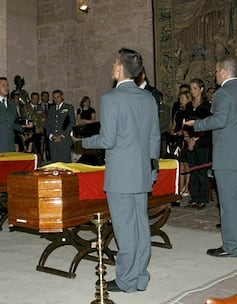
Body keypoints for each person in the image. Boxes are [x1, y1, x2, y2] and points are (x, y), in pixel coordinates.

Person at [77, 48, 160, 292]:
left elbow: (107, 140)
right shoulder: (148, 98)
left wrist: (82, 141)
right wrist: (153, 169)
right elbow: (155, 137)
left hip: (121, 175)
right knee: (141, 227)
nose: (112, 67)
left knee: (124, 229)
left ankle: (126, 280)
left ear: (121, 68)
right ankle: (140, 276)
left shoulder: (111, 98)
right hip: (143, 172)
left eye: (114, 63)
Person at [184, 55, 237, 257]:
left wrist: (196, 125)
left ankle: (231, 246)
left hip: (228, 157)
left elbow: (219, 121)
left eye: (216, 71)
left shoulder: (223, 93)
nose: (215, 74)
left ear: (224, 72)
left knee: (228, 202)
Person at [185, 78, 211, 209]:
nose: (192, 91)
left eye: (195, 88)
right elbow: (186, 124)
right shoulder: (189, 106)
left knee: (201, 170)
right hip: (190, 141)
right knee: (193, 170)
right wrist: (189, 139)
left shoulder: (207, 106)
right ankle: (194, 197)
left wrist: (195, 139)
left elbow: (207, 125)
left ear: (201, 89)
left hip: (202, 142)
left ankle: (203, 198)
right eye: (191, 88)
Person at [45, 89, 76, 163]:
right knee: (55, 163)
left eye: (58, 97)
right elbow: (47, 125)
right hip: (53, 141)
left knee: (65, 163)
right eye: (54, 97)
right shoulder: (51, 109)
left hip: (64, 140)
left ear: (62, 97)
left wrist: (62, 135)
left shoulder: (68, 107)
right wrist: (51, 136)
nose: (56, 99)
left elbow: (71, 123)